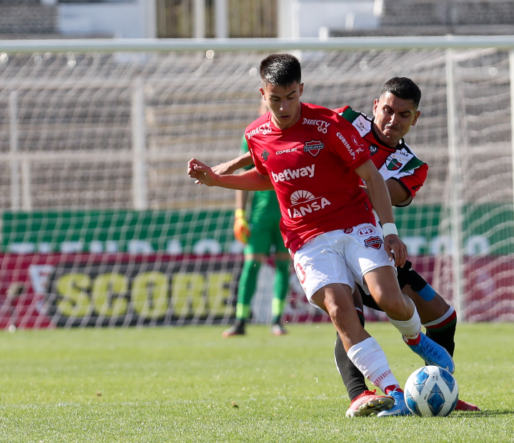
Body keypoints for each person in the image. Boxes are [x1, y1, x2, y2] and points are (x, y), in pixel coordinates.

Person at [188, 53, 454, 417]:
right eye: (274, 98)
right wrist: (220, 178)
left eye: (291, 97)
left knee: (390, 298)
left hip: (354, 224)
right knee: (339, 309)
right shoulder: (257, 133)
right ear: (262, 93)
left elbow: (374, 179)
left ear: (302, 90)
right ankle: (387, 392)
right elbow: (268, 174)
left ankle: (415, 339)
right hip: (306, 237)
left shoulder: (332, 126)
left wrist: (390, 232)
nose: (283, 107)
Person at [223, 102, 291, 338]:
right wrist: (239, 215)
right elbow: (243, 177)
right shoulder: (253, 135)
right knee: (251, 265)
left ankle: (277, 320)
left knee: (283, 266)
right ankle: (241, 320)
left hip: (288, 216)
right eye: (266, 106)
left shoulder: (292, 133)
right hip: (260, 216)